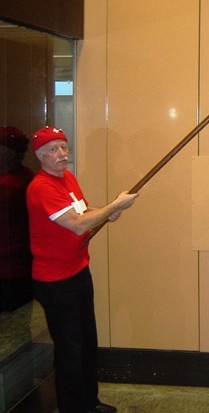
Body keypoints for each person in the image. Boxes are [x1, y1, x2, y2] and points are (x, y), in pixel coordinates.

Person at [26, 126, 139, 413]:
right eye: (53, 149)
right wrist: (113, 205)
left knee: (88, 342)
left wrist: (107, 213)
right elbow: (76, 225)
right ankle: (73, 408)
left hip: (78, 271)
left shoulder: (67, 178)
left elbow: (82, 213)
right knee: (69, 350)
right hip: (55, 282)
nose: (62, 154)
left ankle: (90, 403)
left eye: (64, 147)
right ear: (40, 155)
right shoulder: (42, 187)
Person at [0, 126, 35, 312]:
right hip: (21, 264)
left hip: (8, 268)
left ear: (8, 153)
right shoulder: (27, 175)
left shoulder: (8, 185)